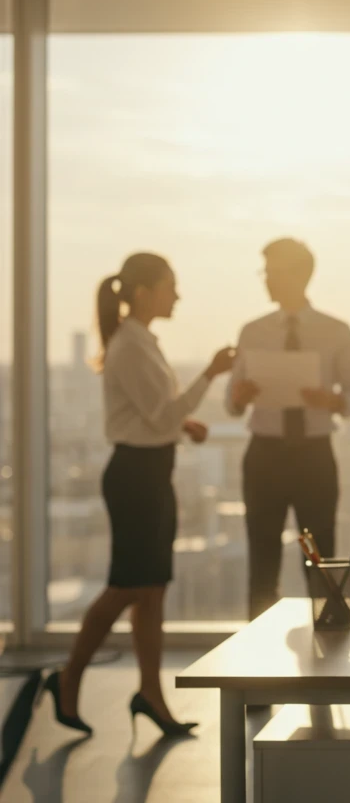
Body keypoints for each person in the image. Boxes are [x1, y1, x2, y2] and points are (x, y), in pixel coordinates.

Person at [44, 253, 235, 736]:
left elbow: (153, 414)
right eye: (171, 286)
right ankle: (68, 680)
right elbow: (160, 415)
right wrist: (210, 374)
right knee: (128, 586)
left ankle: (150, 694)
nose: (177, 295)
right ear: (146, 291)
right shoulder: (131, 344)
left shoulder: (140, 341)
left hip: (150, 472)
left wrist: (179, 422)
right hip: (136, 477)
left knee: (151, 590)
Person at [226, 238, 350, 620]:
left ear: (297, 275)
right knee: (262, 559)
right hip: (264, 454)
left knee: (319, 559)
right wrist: (241, 395)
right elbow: (231, 404)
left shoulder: (336, 331)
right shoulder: (252, 331)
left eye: (270, 271)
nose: (265, 279)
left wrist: (332, 401)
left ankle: (330, 652)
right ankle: (258, 663)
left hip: (314, 455)